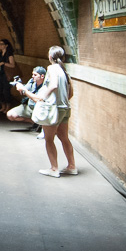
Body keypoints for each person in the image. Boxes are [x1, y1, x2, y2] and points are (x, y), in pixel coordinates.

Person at [16, 45, 76, 178]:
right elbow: (70, 92)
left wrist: (42, 97)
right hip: (65, 108)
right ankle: (72, 166)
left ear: (50, 56)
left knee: (49, 139)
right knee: (64, 138)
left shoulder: (52, 68)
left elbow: (53, 85)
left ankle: (54, 169)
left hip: (53, 109)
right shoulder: (64, 70)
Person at [7, 66, 46, 133]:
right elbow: (23, 91)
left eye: (35, 75)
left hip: (40, 109)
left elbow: (37, 99)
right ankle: (35, 122)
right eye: (32, 74)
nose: (33, 76)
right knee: (10, 115)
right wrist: (18, 84)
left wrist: (24, 90)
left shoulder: (45, 86)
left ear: (42, 76)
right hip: (29, 107)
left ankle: (41, 123)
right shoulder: (32, 81)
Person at [0, 38, 16, 113]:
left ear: (6, 45)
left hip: (7, 75)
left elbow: (12, 65)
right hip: (1, 73)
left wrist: (3, 63)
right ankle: (3, 106)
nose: (0, 45)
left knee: (6, 91)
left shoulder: (9, 54)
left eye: (2, 44)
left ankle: (8, 107)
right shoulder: (0, 53)